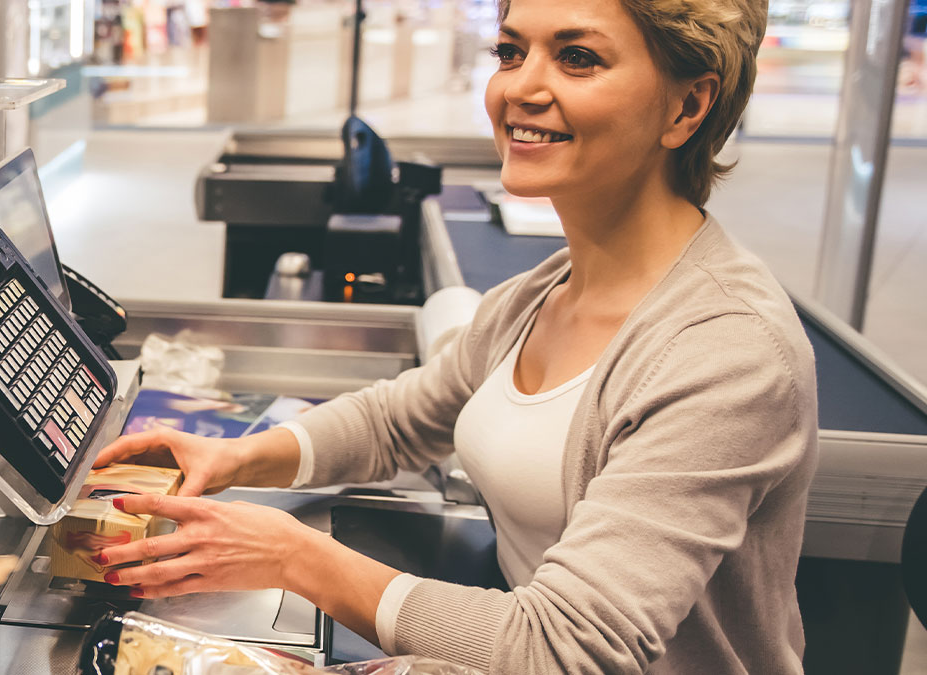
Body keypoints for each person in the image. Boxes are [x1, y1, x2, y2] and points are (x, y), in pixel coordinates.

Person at [92, 0, 819, 671]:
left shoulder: (727, 352)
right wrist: (237, 455)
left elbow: (560, 646)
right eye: (510, 52)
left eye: (577, 58)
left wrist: (293, 556)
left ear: (688, 105)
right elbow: (400, 419)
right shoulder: (545, 290)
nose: (519, 90)